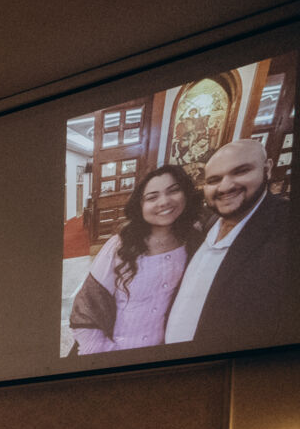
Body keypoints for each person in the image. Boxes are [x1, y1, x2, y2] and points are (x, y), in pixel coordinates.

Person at [164, 139, 294, 347]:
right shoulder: (209, 223)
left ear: (267, 169)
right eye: (214, 180)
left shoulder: (287, 228)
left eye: (240, 171)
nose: (225, 186)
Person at [68, 164, 199, 354]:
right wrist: (106, 354)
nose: (164, 201)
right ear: (140, 205)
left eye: (173, 191)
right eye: (152, 197)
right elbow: (87, 307)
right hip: (114, 352)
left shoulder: (192, 241)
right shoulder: (120, 245)